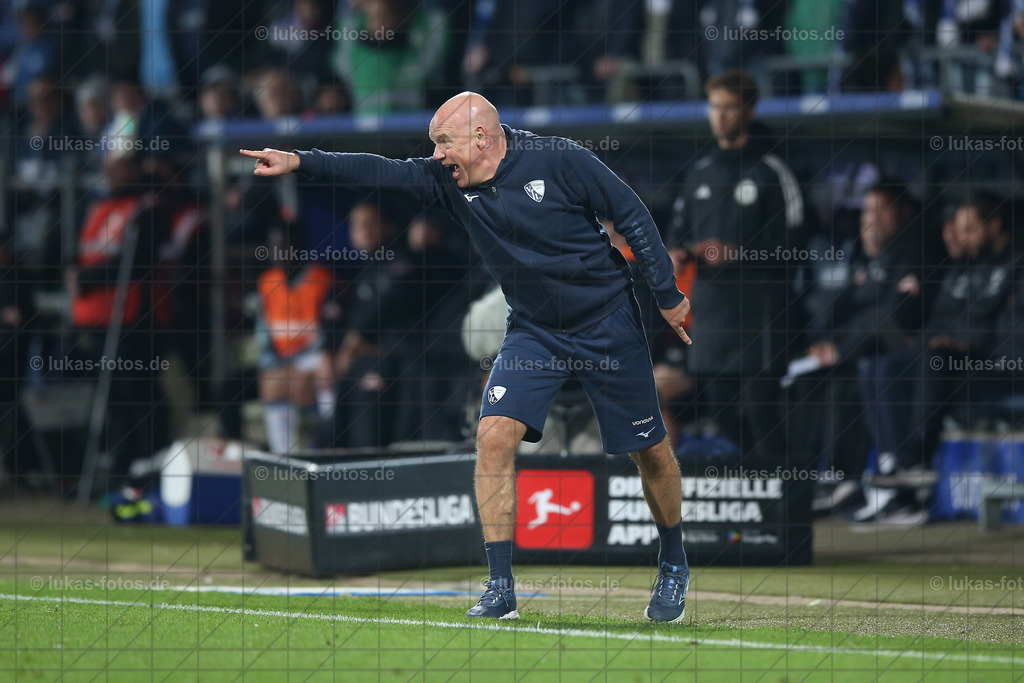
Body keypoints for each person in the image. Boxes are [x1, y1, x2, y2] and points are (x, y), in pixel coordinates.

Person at [240, 91, 693, 623]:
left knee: (651, 451)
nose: (435, 156)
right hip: (536, 331)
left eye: (443, 143)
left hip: (606, 322)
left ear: (481, 138)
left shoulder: (560, 159)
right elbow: (377, 171)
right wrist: (300, 161)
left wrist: (666, 294)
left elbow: (632, 214)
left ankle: (673, 562)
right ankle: (500, 587)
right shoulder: (445, 182)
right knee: (493, 434)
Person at [667, 69, 807, 465]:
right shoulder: (700, 172)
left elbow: (796, 246)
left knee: (763, 408)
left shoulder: (774, 172)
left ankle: (788, 487)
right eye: (714, 108)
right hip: (712, 311)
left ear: (749, 109)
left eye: (729, 108)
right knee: (720, 407)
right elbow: (676, 233)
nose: (720, 117)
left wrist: (740, 253)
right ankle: (766, 479)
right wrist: (678, 252)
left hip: (759, 311)